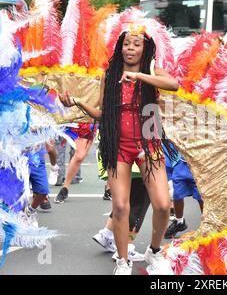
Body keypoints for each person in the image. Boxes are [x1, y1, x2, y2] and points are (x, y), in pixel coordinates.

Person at [59, 26, 179, 275]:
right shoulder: (110, 74)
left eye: (136, 44)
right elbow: (102, 114)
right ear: (120, 47)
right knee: (121, 206)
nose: (130, 49)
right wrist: (79, 103)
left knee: (163, 205)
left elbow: (173, 85)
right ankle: (123, 261)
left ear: (145, 48)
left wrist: (139, 77)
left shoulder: (152, 70)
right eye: (126, 44)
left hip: (149, 140)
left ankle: (154, 252)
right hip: (118, 145)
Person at [93, 163, 149, 263]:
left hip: (121, 161)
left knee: (124, 202)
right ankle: (126, 248)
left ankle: (106, 233)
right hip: (140, 162)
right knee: (139, 204)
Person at [163, 147, 203, 239]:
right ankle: (179, 222)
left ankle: (208, 223)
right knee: (176, 193)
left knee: (201, 196)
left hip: (197, 160)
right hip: (178, 161)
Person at [53, 124, 95, 204]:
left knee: (112, 148)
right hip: (78, 118)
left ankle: (109, 189)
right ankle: (65, 187)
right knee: (79, 155)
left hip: (98, 117)